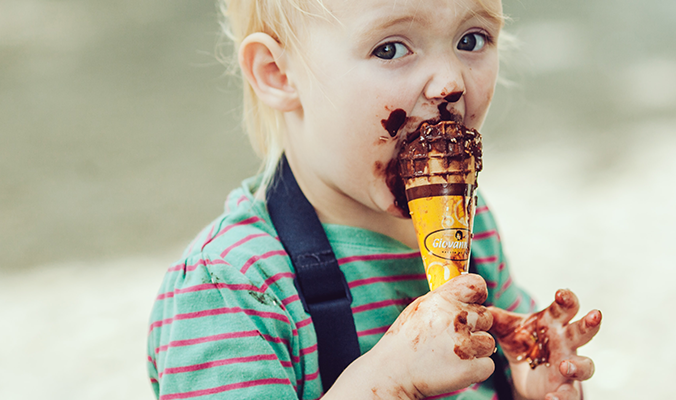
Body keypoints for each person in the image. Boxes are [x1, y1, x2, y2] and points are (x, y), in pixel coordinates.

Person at [146, 0, 602, 399]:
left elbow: (508, 364)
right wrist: (390, 383)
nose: (449, 83)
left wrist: (527, 379)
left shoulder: (472, 226)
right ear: (278, 74)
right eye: (390, 49)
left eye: (471, 39)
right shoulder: (234, 291)